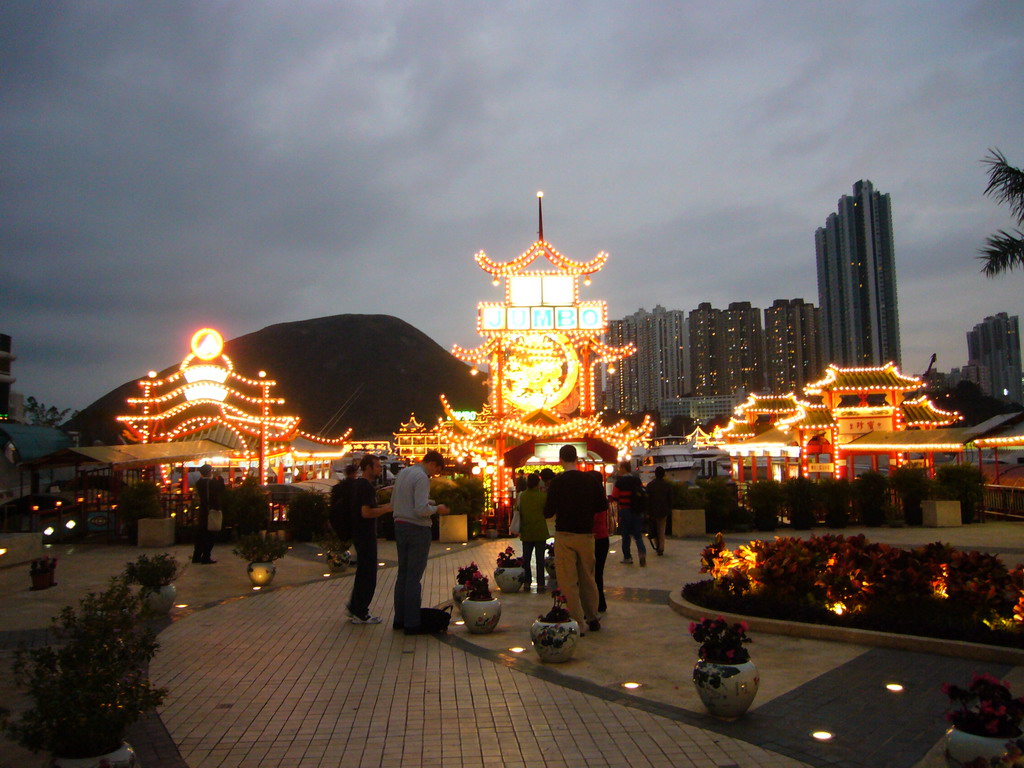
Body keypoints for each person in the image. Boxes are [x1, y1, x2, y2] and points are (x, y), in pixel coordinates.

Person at [543, 445, 604, 634]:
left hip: (565, 534)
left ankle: (578, 621)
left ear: (560, 460)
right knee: (587, 576)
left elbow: (548, 511)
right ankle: (592, 616)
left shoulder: (557, 483)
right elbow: (602, 505)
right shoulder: (590, 480)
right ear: (576, 458)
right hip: (586, 534)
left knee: (568, 580)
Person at [391, 450, 450, 635]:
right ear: (433, 463)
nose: (435, 474)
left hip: (399, 526)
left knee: (403, 574)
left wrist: (427, 503)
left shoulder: (404, 473)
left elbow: (395, 501)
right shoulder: (422, 477)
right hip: (417, 529)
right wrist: (437, 508)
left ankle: (399, 619)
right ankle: (412, 623)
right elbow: (420, 509)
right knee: (413, 578)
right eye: (437, 470)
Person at [346, 455, 393, 624]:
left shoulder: (358, 485)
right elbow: (366, 512)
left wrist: (382, 508)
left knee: (363, 572)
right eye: (377, 466)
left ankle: (355, 607)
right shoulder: (365, 487)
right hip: (365, 535)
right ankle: (361, 612)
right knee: (368, 573)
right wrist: (385, 509)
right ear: (368, 467)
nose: (380, 469)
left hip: (359, 534)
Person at [514, 473, 548, 592]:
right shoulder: (543, 497)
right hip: (540, 531)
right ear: (538, 483)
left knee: (526, 559)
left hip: (526, 531)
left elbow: (516, 510)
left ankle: (527, 582)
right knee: (540, 559)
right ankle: (541, 583)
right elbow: (548, 512)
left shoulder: (521, 496)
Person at [611, 461, 647, 566]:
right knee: (637, 535)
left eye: (619, 468)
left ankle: (627, 557)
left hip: (625, 510)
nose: (618, 469)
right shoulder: (637, 480)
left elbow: (614, 496)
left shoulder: (620, 482)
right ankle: (642, 553)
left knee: (625, 535)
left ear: (623, 468)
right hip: (637, 510)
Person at [191, 464, 223, 564]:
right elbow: (221, 488)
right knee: (210, 534)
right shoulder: (211, 483)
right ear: (209, 472)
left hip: (203, 511)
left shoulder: (199, 483)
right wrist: (219, 476)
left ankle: (196, 556)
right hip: (211, 511)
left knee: (201, 534)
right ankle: (206, 556)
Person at [590, 470, 610, 613]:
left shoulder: (593, 499)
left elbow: (593, 520)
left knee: (592, 573)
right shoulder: (602, 498)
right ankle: (599, 602)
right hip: (603, 537)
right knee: (598, 573)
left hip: (594, 538)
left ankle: (597, 602)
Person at [646, 466, 673, 556]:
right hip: (664, 510)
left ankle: (657, 545)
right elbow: (670, 499)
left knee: (654, 529)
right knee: (661, 529)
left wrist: (647, 512)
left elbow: (648, 500)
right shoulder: (667, 485)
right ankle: (661, 547)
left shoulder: (650, 485)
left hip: (653, 510)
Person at [330, 464, 358, 541]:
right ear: (354, 473)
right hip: (352, 516)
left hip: (340, 516)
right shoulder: (356, 486)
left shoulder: (338, 487)